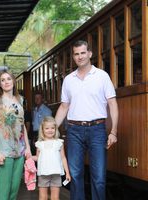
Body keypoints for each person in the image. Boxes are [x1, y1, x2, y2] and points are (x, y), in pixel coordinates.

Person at [55, 40, 118, 200]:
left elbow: (112, 103)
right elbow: (64, 107)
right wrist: (52, 129)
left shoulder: (102, 76)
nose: (80, 56)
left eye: (83, 53)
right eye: (76, 54)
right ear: (74, 57)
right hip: (74, 130)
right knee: (75, 176)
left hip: (97, 130)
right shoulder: (69, 79)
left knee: (99, 178)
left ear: (89, 54)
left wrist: (113, 132)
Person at [0, 70, 31, 200]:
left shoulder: (20, 99)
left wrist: (28, 148)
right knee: (4, 193)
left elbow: (22, 125)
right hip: (4, 151)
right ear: (0, 84)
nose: (6, 82)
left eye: (9, 79)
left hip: (19, 150)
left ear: (13, 81)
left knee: (14, 191)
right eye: (3, 80)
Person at [34, 116, 71, 200]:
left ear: (55, 129)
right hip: (43, 173)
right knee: (43, 197)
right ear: (42, 130)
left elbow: (63, 158)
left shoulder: (59, 143)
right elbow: (37, 157)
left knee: (55, 197)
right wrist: (29, 157)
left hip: (56, 173)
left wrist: (67, 173)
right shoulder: (39, 144)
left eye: (52, 128)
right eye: (47, 128)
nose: (50, 130)